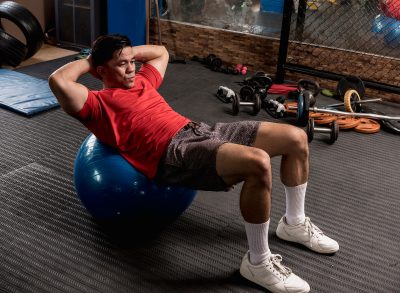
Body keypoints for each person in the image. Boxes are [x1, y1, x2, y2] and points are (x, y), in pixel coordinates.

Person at [48, 34, 339, 293]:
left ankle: (294, 223)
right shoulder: (96, 105)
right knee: (258, 162)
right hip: (173, 152)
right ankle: (258, 263)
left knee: (295, 137)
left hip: (198, 129)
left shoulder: (142, 80)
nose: (131, 68)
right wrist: (93, 58)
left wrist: (124, 52)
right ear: (100, 71)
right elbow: (58, 80)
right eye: (121, 64)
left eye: (132, 61)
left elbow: (161, 51)